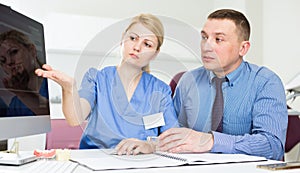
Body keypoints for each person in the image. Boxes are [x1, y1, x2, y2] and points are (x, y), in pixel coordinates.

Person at [35, 13, 178, 155]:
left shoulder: (161, 90)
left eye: (147, 44)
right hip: (95, 162)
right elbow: (75, 118)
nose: (137, 47)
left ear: (155, 53)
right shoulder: (97, 78)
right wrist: (68, 88)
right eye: (133, 38)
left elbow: (172, 139)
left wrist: (151, 146)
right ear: (123, 38)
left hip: (139, 164)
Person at [158, 9, 288, 160]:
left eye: (218, 39)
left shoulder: (266, 82)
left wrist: (211, 141)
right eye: (204, 37)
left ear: (243, 48)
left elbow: (272, 146)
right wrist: (151, 144)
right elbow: (172, 136)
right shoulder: (188, 81)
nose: (207, 46)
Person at [0, 30, 49, 116]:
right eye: (2, 61)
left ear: (32, 50)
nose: (9, 62)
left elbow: (59, 115)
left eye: (14, 52)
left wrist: (24, 94)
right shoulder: (15, 104)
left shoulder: (53, 83)